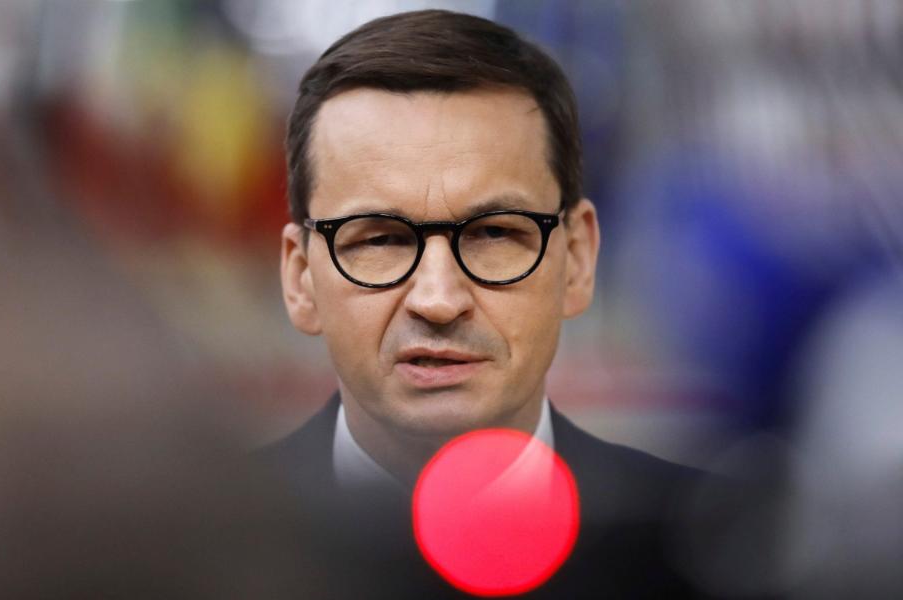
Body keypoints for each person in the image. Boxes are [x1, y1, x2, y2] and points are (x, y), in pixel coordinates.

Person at [260, 9, 728, 598]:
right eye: (379, 239)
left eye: (494, 234)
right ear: (301, 278)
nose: (438, 299)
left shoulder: (713, 550)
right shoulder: (182, 545)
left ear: (578, 260)